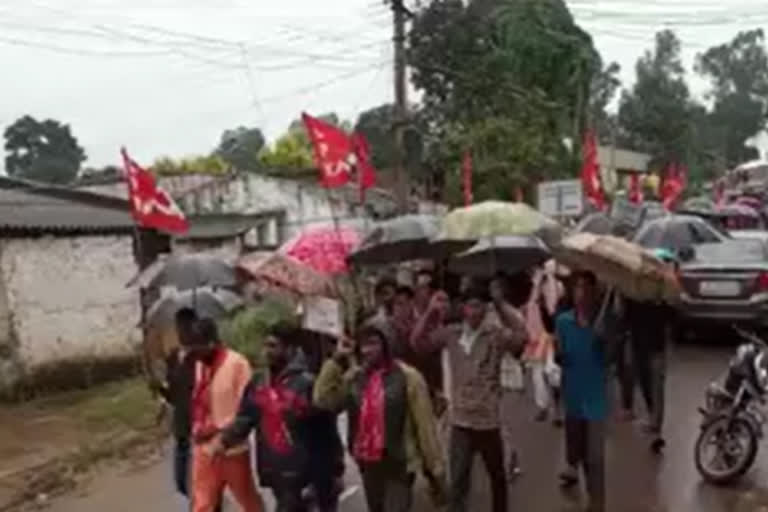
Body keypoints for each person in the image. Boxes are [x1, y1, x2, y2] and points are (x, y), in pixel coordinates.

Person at [411, 286, 527, 512]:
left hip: (488, 422)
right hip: (461, 422)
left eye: (479, 305)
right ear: (463, 308)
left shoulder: (495, 335)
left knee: (497, 478)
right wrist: (431, 311)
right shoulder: (451, 333)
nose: (474, 311)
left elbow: (522, 337)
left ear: (485, 309)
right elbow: (417, 343)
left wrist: (501, 304)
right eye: (470, 305)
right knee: (458, 484)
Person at [314, 316, 447, 512]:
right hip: (369, 465)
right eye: (363, 345)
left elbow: (425, 426)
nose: (367, 350)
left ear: (387, 344)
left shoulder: (408, 377)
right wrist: (336, 359)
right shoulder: (355, 377)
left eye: (373, 343)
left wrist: (436, 472)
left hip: (399, 465)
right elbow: (323, 400)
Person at [215, 322, 341, 512]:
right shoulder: (259, 382)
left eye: (273, 346)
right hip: (275, 469)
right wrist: (225, 440)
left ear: (290, 349)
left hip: (306, 471)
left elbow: (327, 429)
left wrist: (335, 469)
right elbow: (247, 416)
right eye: (266, 345)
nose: (267, 351)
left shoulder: (306, 382)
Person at [186, 318, 263, 512]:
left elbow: (250, 410)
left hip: (232, 448)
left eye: (198, 347)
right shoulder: (200, 364)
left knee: (247, 501)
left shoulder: (237, 364)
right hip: (203, 446)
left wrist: (225, 438)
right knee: (202, 504)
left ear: (212, 343)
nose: (195, 353)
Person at [150, 308, 223, 509]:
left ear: (193, 328)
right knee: (182, 482)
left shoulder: (204, 357)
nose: (181, 332)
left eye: (185, 327)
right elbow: (174, 394)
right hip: (182, 427)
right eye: (178, 327)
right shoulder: (173, 357)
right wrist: (160, 389)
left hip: (202, 426)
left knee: (206, 483)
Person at [555, 272, 607, 512]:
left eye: (586, 288)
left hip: (596, 398)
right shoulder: (563, 321)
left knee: (595, 458)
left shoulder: (604, 324)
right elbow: (560, 354)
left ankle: (597, 505)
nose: (581, 294)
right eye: (577, 288)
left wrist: (605, 338)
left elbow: (614, 360)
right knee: (578, 452)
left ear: (595, 293)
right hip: (573, 397)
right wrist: (559, 355)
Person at [622, 249, 678, 453]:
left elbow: (672, 316)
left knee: (654, 384)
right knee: (649, 384)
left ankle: (656, 424)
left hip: (653, 345)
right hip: (644, 344)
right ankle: (653, 419)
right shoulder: (634, 292)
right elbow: (624, 316)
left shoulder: (662, 294)